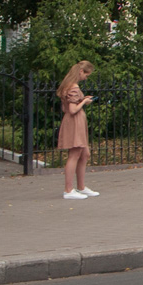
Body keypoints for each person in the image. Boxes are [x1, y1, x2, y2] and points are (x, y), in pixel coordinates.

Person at [57, 60, 97, 199]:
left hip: (77, 121)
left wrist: (82, 99)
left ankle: (81, 187)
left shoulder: (70, 86)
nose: (86, 78)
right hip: (74, 122)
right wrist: (84, 102)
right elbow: (73, 109)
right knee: (74, 154)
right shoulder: (73, 87)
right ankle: (68, 190)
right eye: (86, 75)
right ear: (81, 72)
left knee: (84, 153)